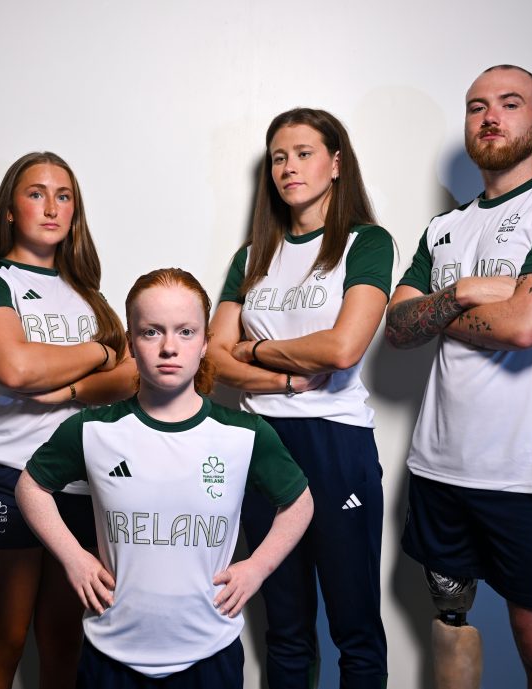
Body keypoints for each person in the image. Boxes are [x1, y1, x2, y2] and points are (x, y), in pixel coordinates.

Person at [385, 65, 532, 689]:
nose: (490, 116)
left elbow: (525, 327)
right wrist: (465, 289)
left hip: (530, 470)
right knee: (451, 630)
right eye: (476, 106)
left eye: (510, 104)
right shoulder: (444, 228)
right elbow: (396, 327)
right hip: (439, 466)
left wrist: (440, 310)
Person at [16, 268, 314, 688]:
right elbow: (31, 486)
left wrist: (257, 568)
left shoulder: (243, 435)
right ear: (132, 343)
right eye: (152, 332)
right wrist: (73, 557)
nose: (169, 347)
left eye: (186, 332)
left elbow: (300, 501)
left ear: (206, 343)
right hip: (111, 655)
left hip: (208, 655)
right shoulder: (93, 430)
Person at [208, 108, 392, 689]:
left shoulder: (366, 243)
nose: (290, 167)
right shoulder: (252, 255)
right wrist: (286, 377)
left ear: (336, 163)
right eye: (279, 157)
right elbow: (212, 359)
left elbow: (342, 348)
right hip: (262, 441)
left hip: (336, 442)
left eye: (305, 153)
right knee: (284, 626)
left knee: (354, 626)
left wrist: (256, 350)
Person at [0, 151, 136, 689]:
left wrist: (70, 384)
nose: (51, 206)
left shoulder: (91, 294)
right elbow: (15, 368)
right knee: (3, 642)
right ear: (10, 209)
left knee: (64, 643)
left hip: (81, 483)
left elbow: (132, 377)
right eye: (36, 193)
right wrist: (98, 354)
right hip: (5, 476)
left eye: (64, 196)